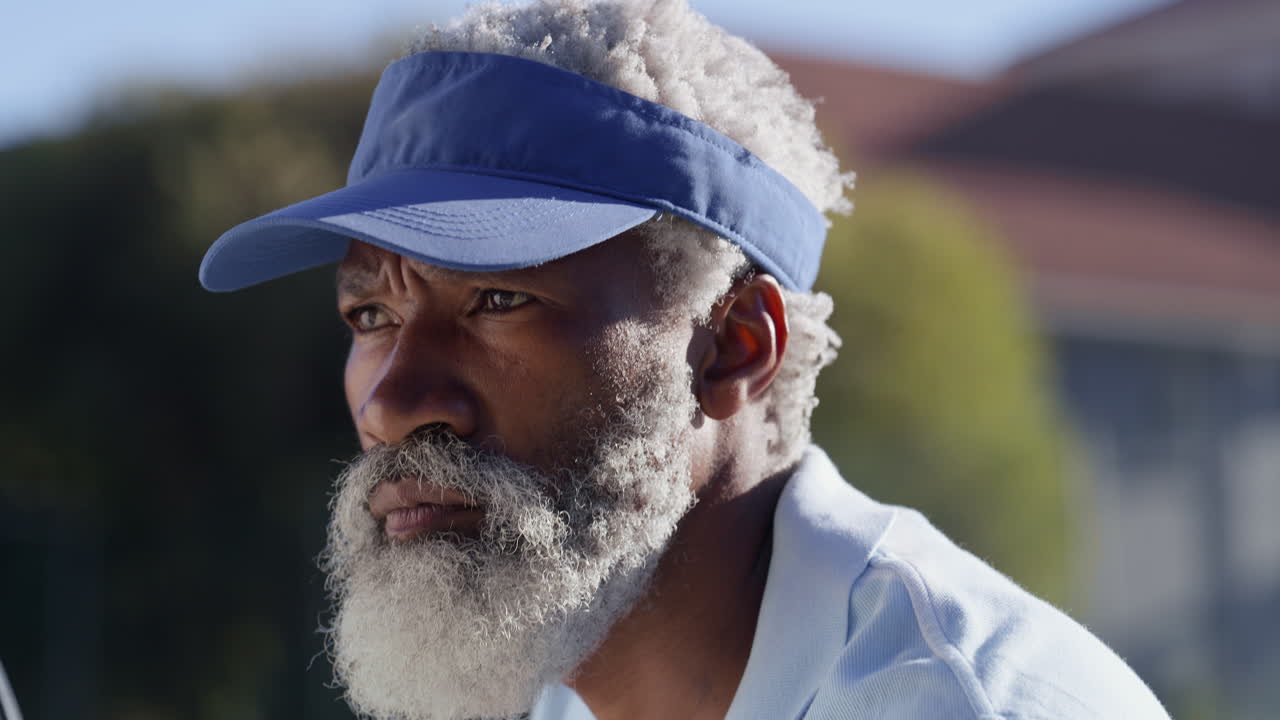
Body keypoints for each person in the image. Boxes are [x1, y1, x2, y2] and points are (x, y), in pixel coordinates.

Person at [199, 1, 1171, 718]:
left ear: (734, 344)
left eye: (497, 298)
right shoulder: (551, 688)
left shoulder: (961, 702)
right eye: (369, 314)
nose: (393, 399)